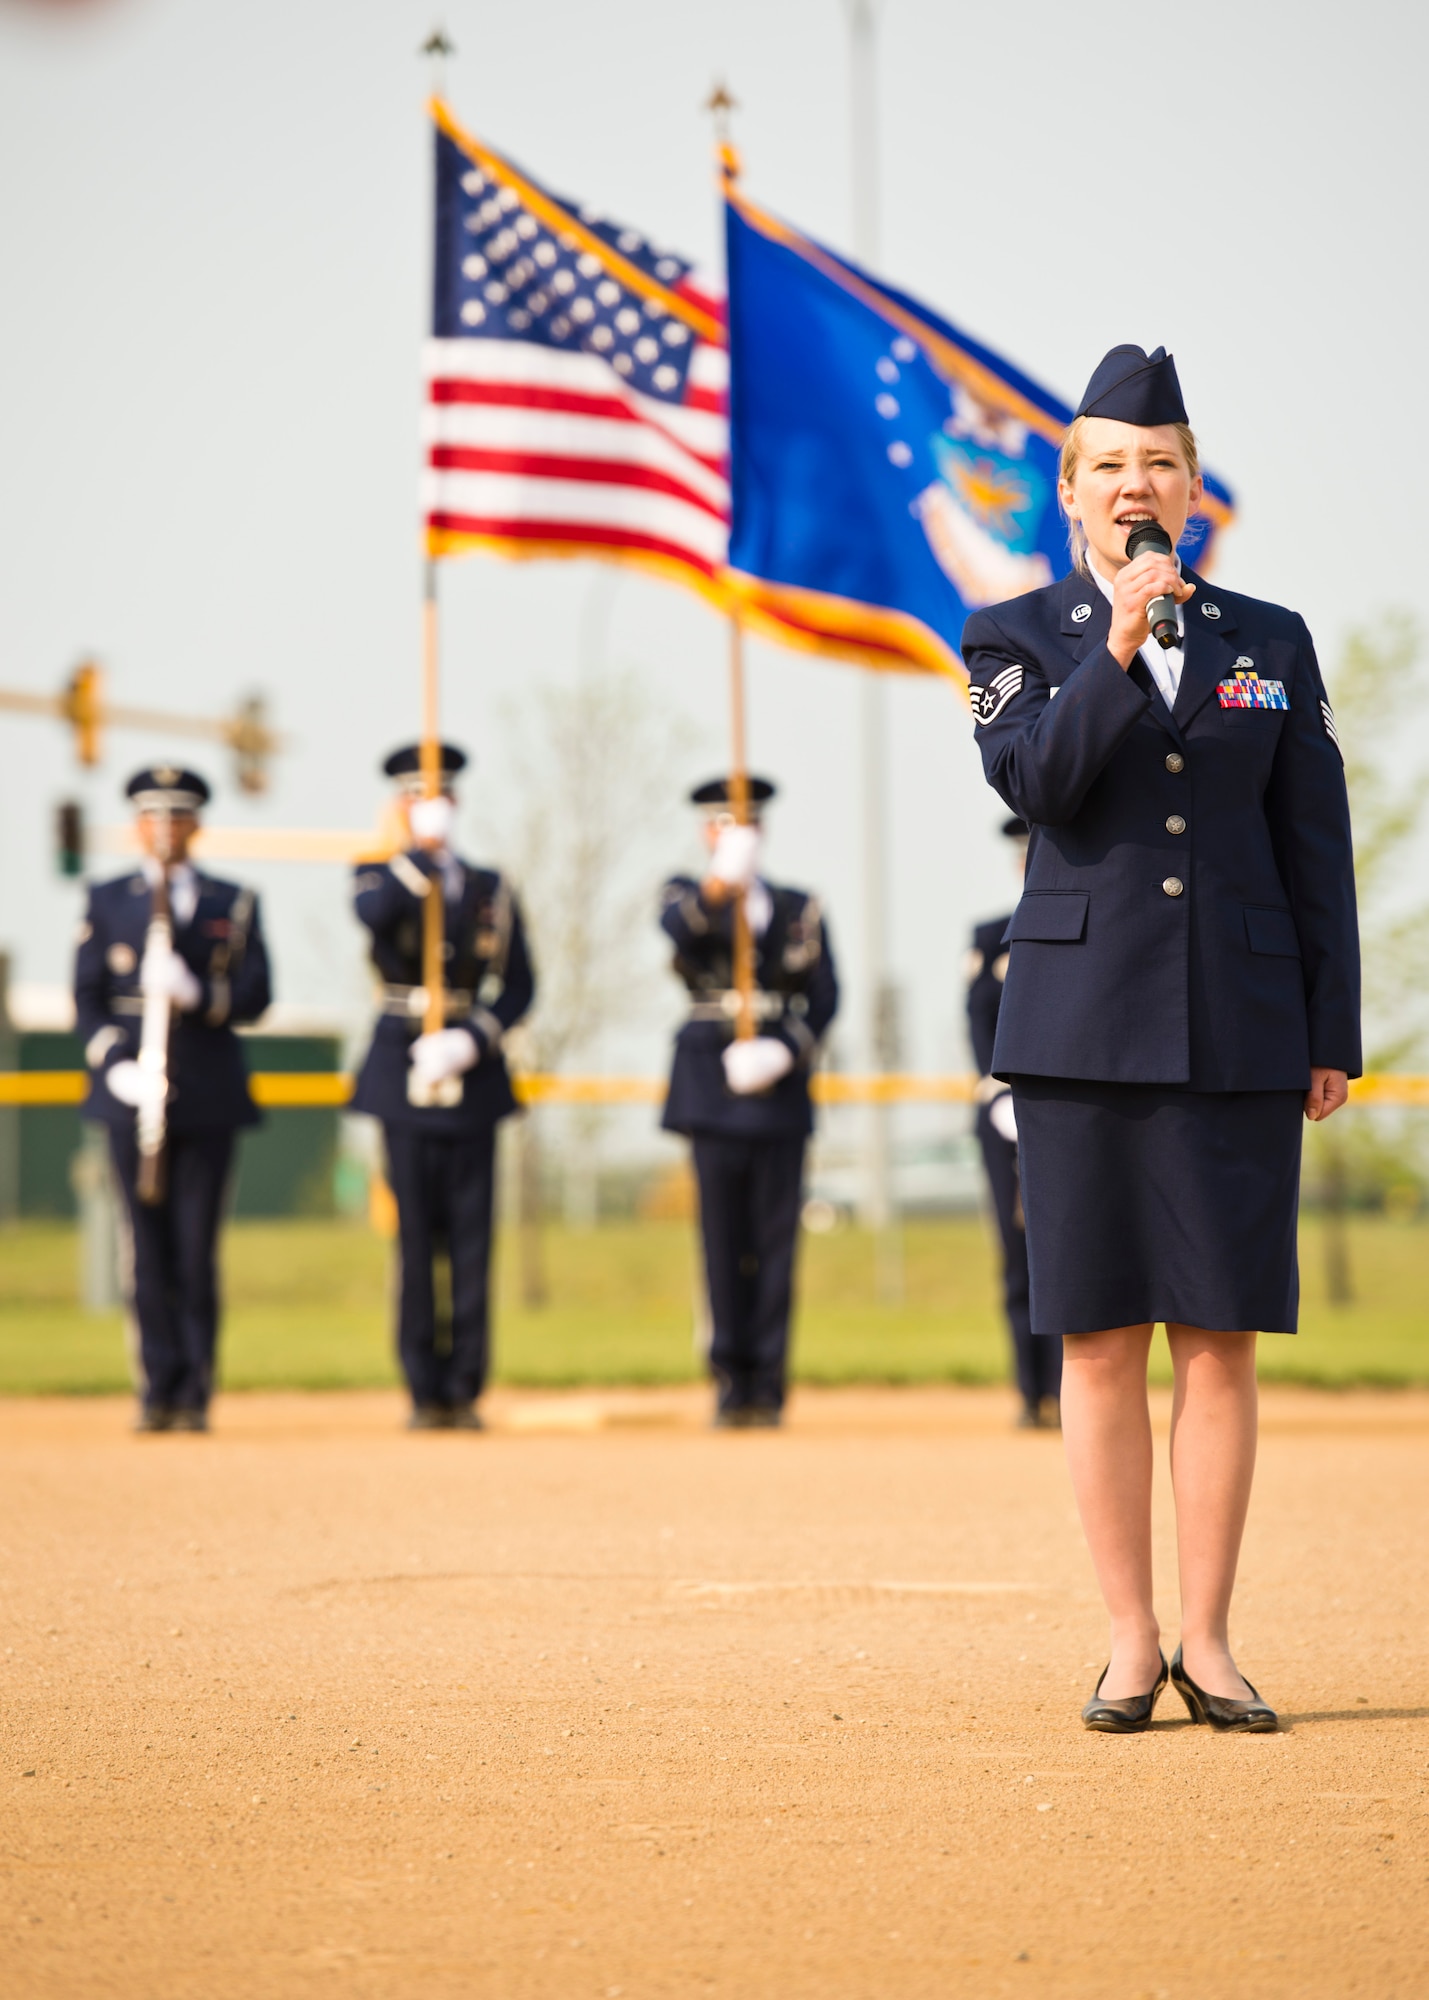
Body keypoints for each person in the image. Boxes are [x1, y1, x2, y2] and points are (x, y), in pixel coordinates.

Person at [963, 344, 1359, 1734]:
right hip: (1078, 1034)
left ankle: (1212, 1638)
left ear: (1194, 490)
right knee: (1093, 1342)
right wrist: (1119, 640)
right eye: (1111, 467)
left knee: (1220, 1341)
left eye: (1162, 466)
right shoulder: (1016, 639)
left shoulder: (1274, 639)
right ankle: (1129, 1642)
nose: (1139, 487)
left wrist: (1330, 1024)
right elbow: (1042, 786)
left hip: (1241, 1028)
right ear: (1068, 493)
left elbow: (1315, 842)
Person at [75, 765, 272, 1432]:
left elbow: (254, 995)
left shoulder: (231, 901)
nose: (164, 829)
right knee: (145, 1248)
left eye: (177, 816)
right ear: (137, 824)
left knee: (195, 1248)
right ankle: (156, 1386)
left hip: (208, 1092)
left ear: (195, 824)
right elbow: (86, 997)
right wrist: (115, 1065)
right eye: (152, 816)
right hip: (132, 1096)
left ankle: (195, 1389)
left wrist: (198, 995)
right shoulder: (107, 900)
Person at [351, 744, 534, 1430]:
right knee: (416, 1237)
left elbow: (520, 983)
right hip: (403, 1066)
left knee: (471, 1238)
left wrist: (474, 1037)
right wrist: (414, 857)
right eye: (417, 797)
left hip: (470, 1067)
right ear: (402, 805)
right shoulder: (379, 875)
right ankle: (422, 1386)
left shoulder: (489, 887)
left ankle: (466, 1384)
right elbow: (373, 919)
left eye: (439, 796)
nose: (432, 806)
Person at [660, 778, 839, 1427]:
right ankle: (729, 1379)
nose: (740, 835)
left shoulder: (797, 905)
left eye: (747, 825)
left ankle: (768, 1380)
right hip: (712, 1084)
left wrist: (785, 1050)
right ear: (708, 833)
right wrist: (718, 886)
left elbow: (823, 996)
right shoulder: (684, 893)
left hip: (777, 1086)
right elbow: (680, 934)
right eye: (726, 825)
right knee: (720, 1240)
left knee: (775, 1242)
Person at [967, 816, 1062, 1429]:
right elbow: (977, 1019)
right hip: (1003, 1112)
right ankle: (1029, 1390)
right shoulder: (989, 936)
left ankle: (1063, 1388)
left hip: (1065, 1110)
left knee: (1066, 1256)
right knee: (1015, 1252)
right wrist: (998, 1091)